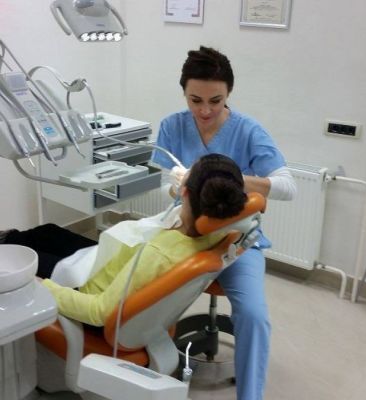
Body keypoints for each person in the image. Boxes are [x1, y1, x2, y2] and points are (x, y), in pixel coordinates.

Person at [152, 46, 296, 400]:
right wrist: (175, 183)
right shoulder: (172, 126)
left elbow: (287, 187)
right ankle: (150, 381)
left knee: (254, 316)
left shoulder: (248, 131)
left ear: (229, 92)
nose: (204, 110)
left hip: (235, 243)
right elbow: (159, 180)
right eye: (195, 100)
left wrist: (226, 176)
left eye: (215, 101)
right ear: (184, 93)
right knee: (147, 300)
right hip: (184, 236)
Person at [0, 154, 247, 327]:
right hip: (114, 261)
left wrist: (38, 285)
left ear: (185, 192)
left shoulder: (159, 254)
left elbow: (99, 311)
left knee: (23, 261)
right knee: (47, 231)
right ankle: (9, 237)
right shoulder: (220, 227)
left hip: (91, 288)